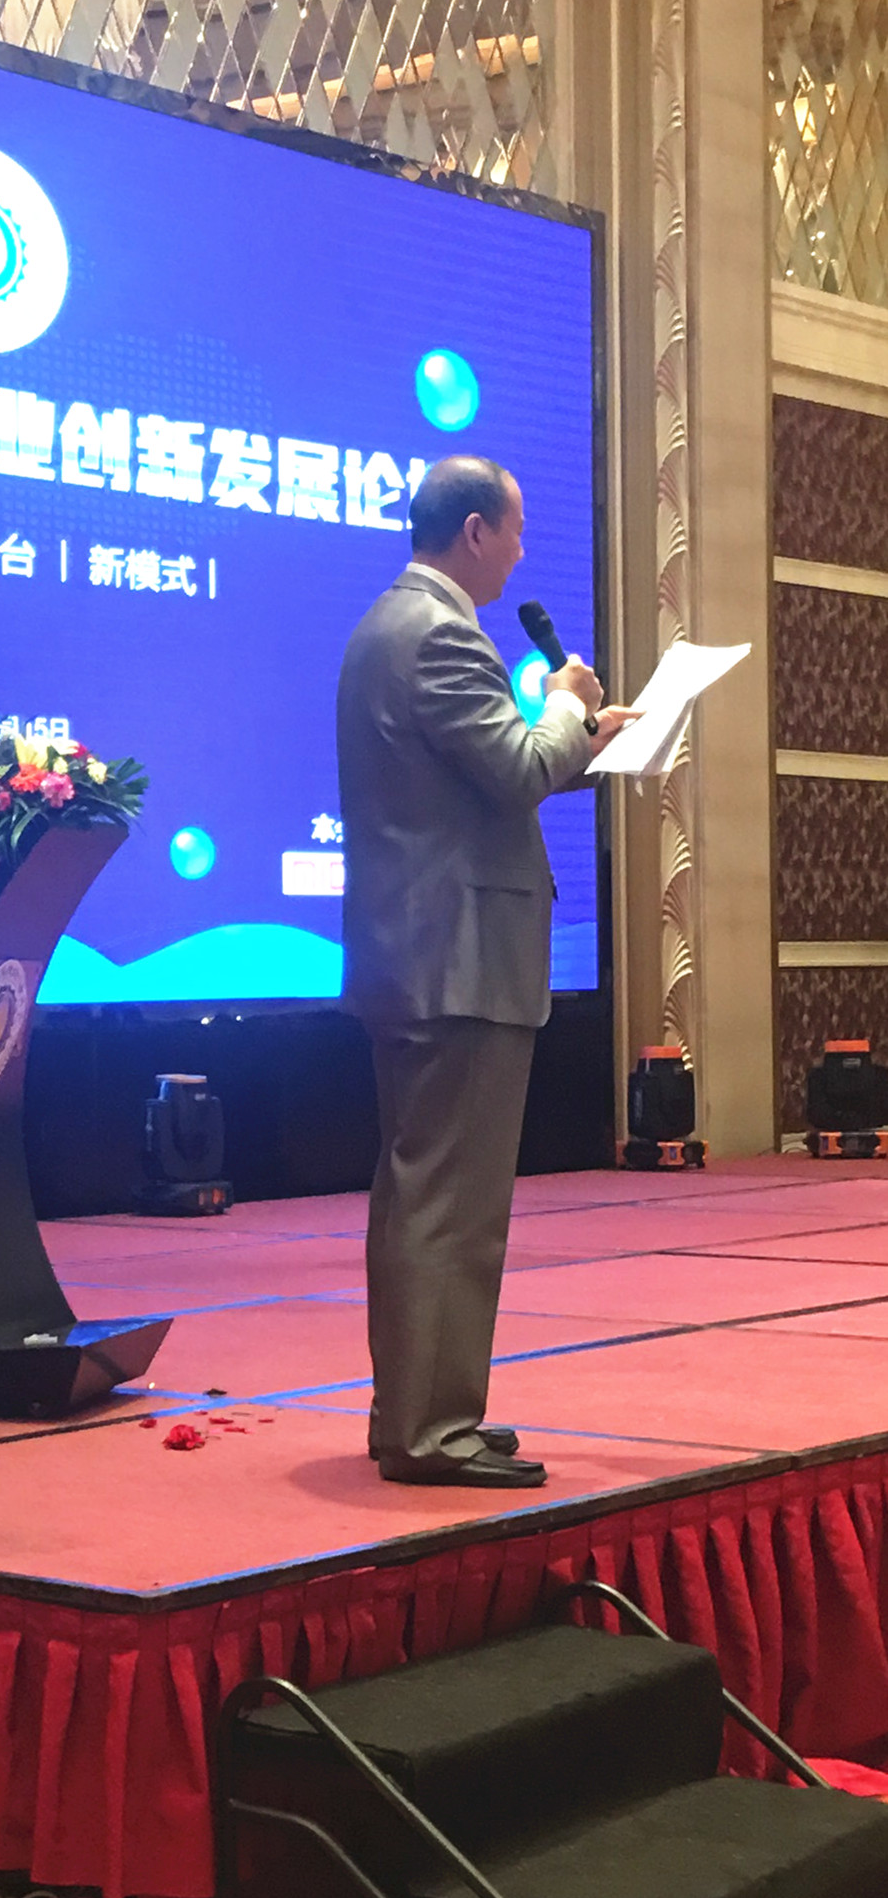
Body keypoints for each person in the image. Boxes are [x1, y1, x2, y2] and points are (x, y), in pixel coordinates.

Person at [337, 455, 631, 1488]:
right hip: (453, 959)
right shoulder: (441, 634)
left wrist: (583, 737)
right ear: (473, 531)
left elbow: (479, 779)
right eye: (513, 529)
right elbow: (513, 768)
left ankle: (421, 1414)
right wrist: (562, 703)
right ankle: (430, 1432)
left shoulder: (392, 625)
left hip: (421, 954)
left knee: (426, 1198)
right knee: (448, 1207)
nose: (519, 549)